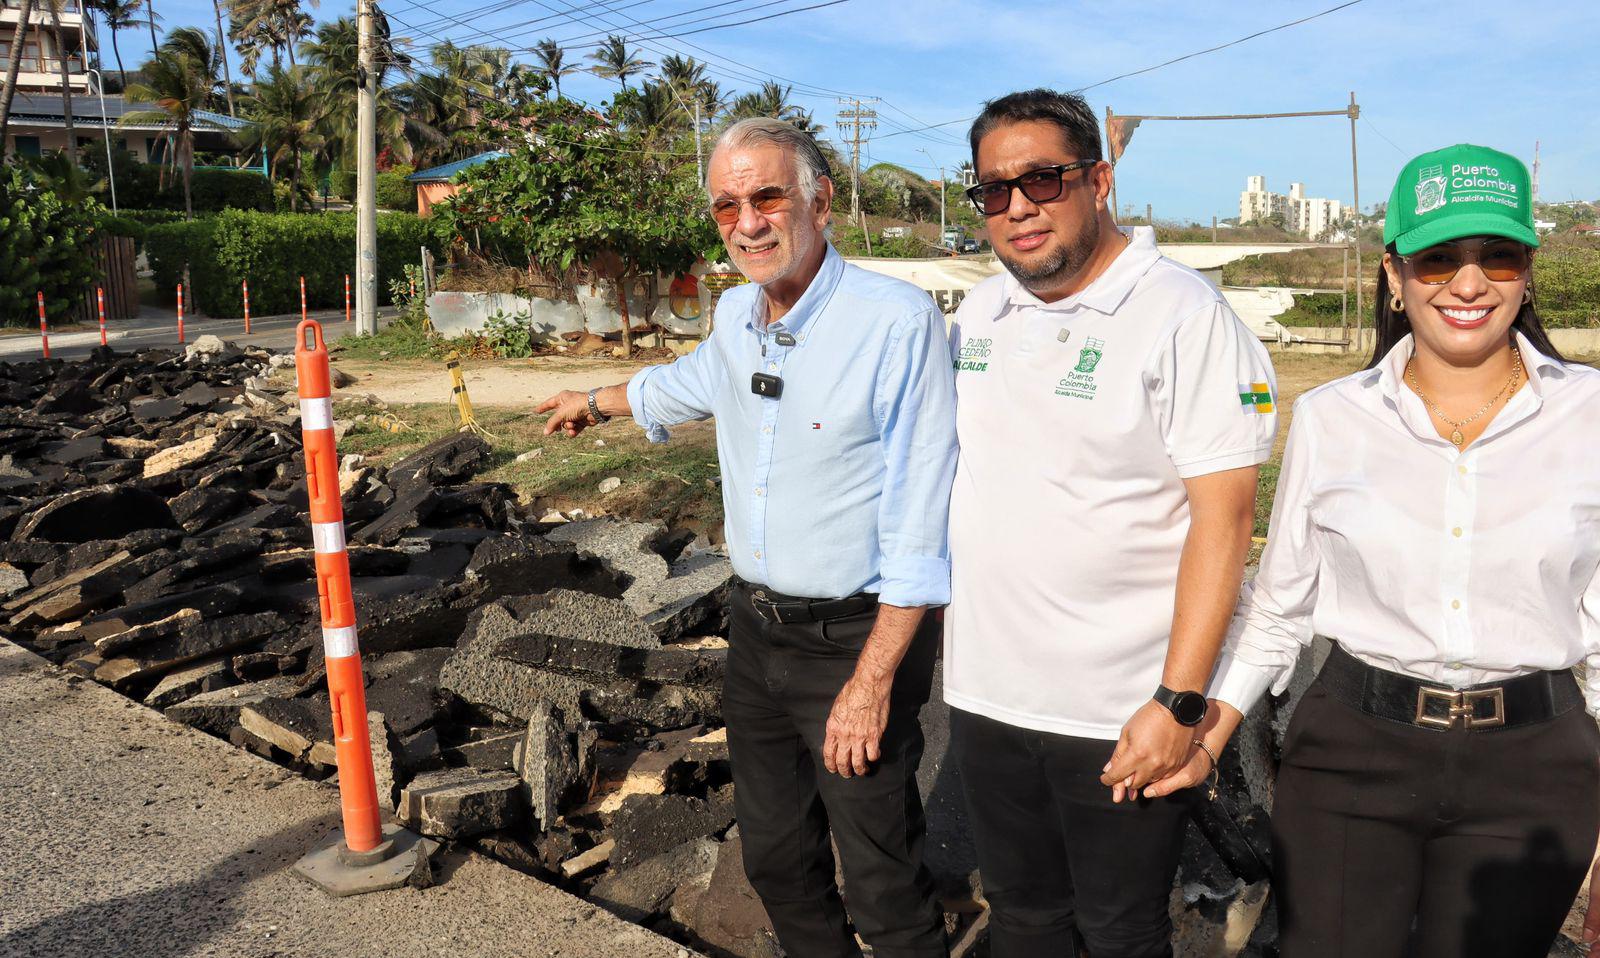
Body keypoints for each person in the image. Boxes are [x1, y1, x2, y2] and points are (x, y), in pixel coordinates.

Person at [1165, 143, 1600, 958]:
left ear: (1527, 274)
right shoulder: (1333, 418)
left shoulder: (1591, 416)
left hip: (1534, 767)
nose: (1468, 283)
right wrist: (1205, 733)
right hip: (1353, 755)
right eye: (1437, 259)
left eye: (1497, 256)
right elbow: (1280, 609)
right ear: (1395, 276)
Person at [537, 117, 957, 958]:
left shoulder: (894, 322)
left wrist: (872, 682)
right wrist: (597, 401)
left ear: (820, 202)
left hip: (853, 638)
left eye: (767, 197)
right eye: (727, 207)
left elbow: (922, 520)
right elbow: (687, 382)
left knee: (882, 881)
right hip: (757, 629)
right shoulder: (735, 314)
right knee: (778, 860)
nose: (748, 223)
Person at [943, 88, 1276, 957]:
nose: (1018, 207)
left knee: (1121, 929)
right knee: (1022, 916)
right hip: (986, 694)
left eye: (1042, 180)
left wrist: (1178, 701)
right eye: (993, 190)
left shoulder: (1182, 315)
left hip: (1120, 708)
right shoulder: (980, 314)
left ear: (1098, 181)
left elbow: (1225, 522)